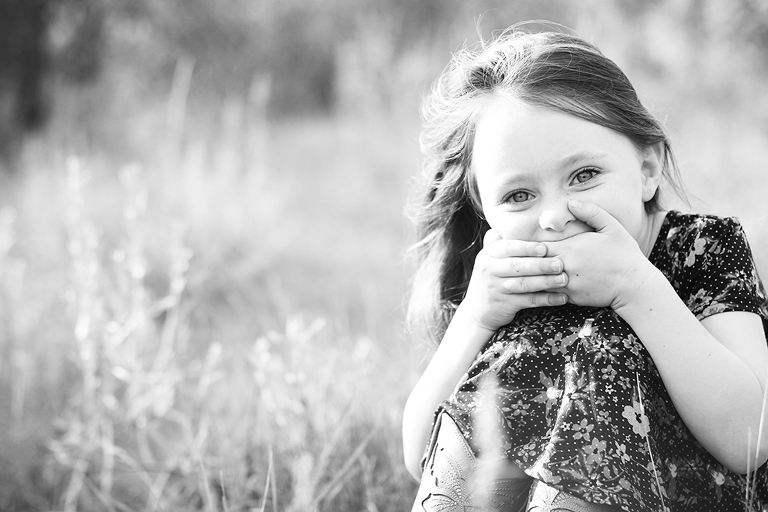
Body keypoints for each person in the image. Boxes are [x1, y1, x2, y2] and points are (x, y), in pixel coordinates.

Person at [402, 24, 768, 512]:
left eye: (585, 175)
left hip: (687, 495)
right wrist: (475, 317)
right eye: (518, 195)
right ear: (485, 209)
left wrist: (637, 288)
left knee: (606, 350)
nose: (554, 217)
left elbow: (749, 441)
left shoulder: (702, 247)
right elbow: (419, 457)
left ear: (647, 169)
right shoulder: (506, 282)